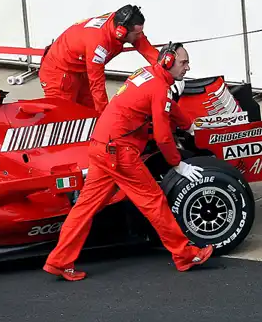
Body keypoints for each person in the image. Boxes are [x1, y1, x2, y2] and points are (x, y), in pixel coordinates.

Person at [43, 42, 213, 281]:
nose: (187, 67)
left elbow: (165, 106)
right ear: (167, 63)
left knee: (84, 209)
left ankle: (58, 261)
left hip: (100, 146)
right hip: (119, 153)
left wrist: (187, 123)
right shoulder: (160, 88)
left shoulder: (146, 73)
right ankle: (185, 255)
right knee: (154, 201)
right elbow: (164, 135)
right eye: (184, 63)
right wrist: (178, 163)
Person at [38, 4, 160, 115]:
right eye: (137, 34)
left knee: (89, 113)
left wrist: (166, 67)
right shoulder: (99, 44)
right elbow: (97, 84)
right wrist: (105, 118)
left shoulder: (120, 23)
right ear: (121, 32)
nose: (140, 36)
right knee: (63, 117)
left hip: (80, 69)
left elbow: (147, 50)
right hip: (58, 73)